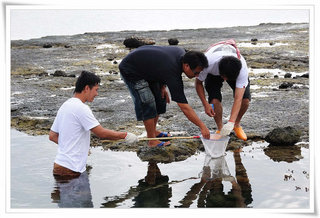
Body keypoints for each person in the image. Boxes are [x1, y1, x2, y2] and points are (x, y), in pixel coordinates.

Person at [49, 71, 138, 178]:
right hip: (71, 170)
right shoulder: (81, 108)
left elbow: (52, 136)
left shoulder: (65, 105)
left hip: (59, 166)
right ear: (87, 88)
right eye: (96, 90)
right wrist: (125, 135)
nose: (97, 94)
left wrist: (78, 148)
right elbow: (101, 133)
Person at [119, 45, 211, 147]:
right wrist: (202, 126)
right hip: (131, 69)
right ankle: (152, 140)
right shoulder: (173, 70)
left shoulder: (185, 55)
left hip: (148, 68)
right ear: (186, 66)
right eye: (196, 72)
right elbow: (184, 106)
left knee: (160, 98)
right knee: (147, 101)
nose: (197, 76)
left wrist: (162, 86)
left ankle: (153, 131)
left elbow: (159, 65)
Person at [195, 39, 250, 140]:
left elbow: (238, 99)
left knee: (245, 100)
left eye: (227, 78)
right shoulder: (207, 63)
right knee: (214, 100)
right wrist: (205, 104)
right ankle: (220, 128)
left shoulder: (242, 69)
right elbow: (198, 83)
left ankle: (236, 125)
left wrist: (231, 122)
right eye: (223, 77)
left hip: (232, 70)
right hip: (213, 72)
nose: (224, 80)